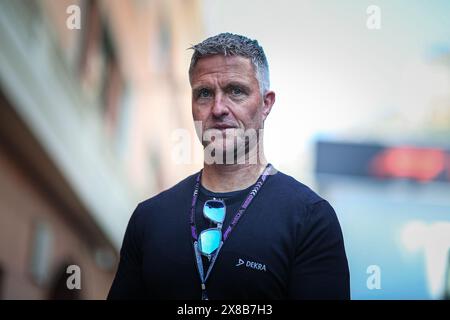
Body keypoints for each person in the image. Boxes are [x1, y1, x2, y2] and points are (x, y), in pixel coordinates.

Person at [107, 33, 350, 300]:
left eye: (236, 91)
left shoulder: (310, 219)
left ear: (266, 104)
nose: (218, 108)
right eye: (204, 93)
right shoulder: (149, 218)